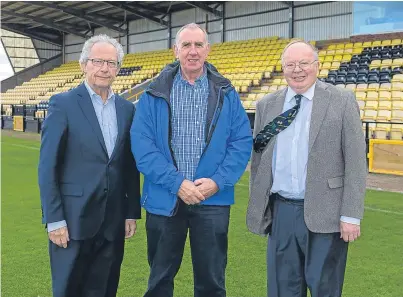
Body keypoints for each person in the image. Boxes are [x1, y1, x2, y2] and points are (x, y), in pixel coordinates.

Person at [130, 23, 252, 297]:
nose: (193, 51)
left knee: (212, 281)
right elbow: (142, 146)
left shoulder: (227, 93)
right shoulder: (153, 93)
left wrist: (217, 182)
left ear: (208, 50)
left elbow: (242, 142)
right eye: (186, 45)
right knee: (159, 279)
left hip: (213, 199)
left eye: (199, 45)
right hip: (165, 198)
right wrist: (177, 183)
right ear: (176, 50)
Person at [247, 40, 367, 297]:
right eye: (290, 64)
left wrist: (351, 215)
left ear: (317, 66)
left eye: (304, 63)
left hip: (327, 214)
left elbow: (357, 162)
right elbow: (258, 159)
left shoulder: (342, 101)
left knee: (325, 288)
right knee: (282, 290)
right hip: (282, 213)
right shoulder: (267, 105)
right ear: (283, 68)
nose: (297, 69)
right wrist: (261, 207)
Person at [38, 34, 141, 297]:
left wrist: (131, 212)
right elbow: (47, 166)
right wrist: (54, 219)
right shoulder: (63, 104)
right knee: (68, 289)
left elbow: (129, 166)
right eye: (98, 61)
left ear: (118, 69)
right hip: (72, 221)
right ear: (84, 64)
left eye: (111, 63)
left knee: (105, 290)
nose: (104, 68)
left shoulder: (127, 110)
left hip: (112, 221)